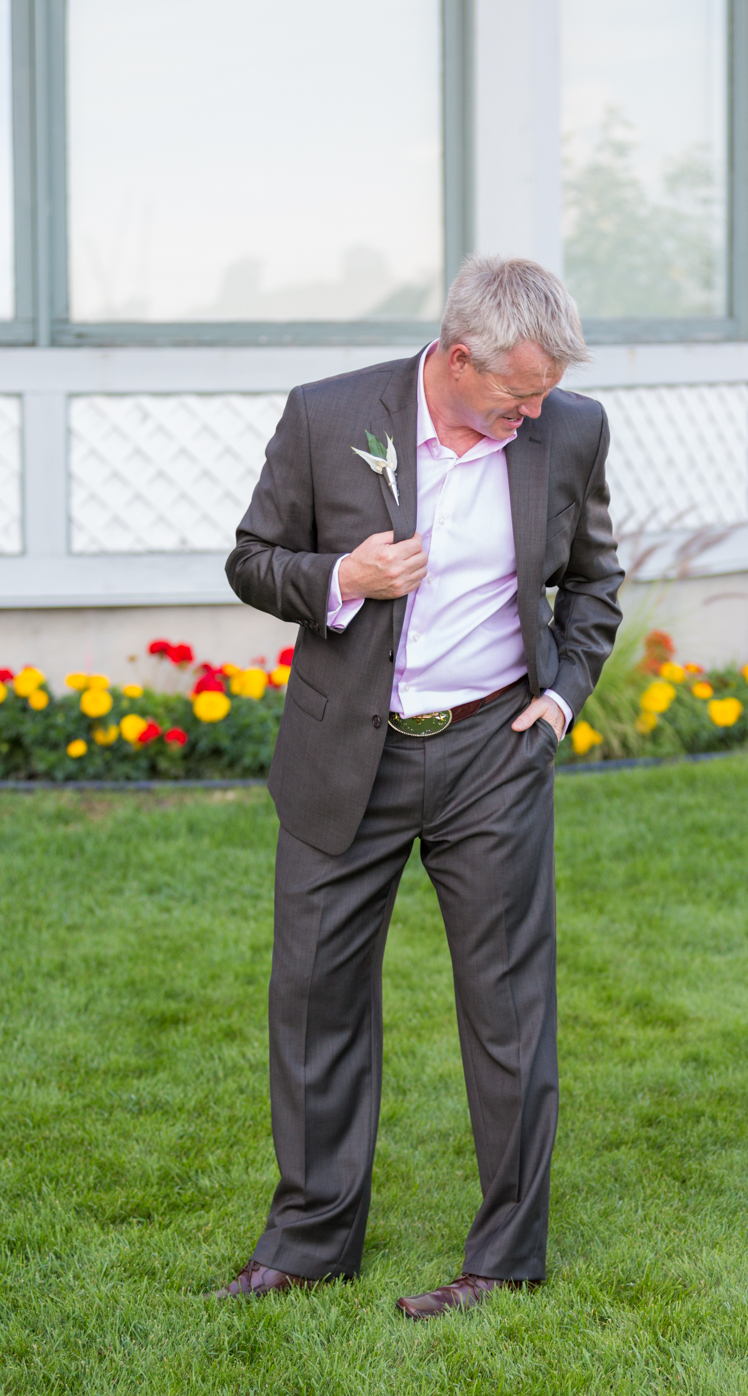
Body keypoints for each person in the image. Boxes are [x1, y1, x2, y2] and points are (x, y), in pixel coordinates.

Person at [219, 255, 621, 1317]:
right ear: (454, 359)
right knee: (314, 1000)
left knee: (508, 1012)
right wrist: (342, 577)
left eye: (542, 396)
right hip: (348, 749)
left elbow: (593, 580)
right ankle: (309, 1242)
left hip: (495, 748)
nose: (532, 413)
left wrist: (563, 696)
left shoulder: (570, 430)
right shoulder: (327, 415)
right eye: (515, 395)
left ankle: (504, 1258)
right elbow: (253, 559)